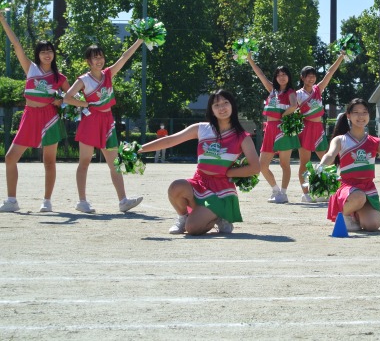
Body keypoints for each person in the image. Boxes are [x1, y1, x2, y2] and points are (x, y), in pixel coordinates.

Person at [139, 90, 259, 235]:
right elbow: (170, 140)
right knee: (176, 187)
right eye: (216, 105)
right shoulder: (201, 128)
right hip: (199, 183)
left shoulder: (242, 136)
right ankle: (183, 217)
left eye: (225, 103)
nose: (221, 108)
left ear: (232, 105)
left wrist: (228, 173)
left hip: (221, 190)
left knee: (193, 228)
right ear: (211, 110)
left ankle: (219, 216)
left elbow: (255, 167)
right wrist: (139, 149)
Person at [63, 41, 145, 213]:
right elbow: (67, 98)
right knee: (84, 161)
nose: (99, 60)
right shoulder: (84, 80)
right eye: (95, 58)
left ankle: (123, 201)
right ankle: (82, 201)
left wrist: (139, 41)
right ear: (88, 61)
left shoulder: (108, 74)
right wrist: (84, 104)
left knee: (114, 163)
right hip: (91, 121)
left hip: (107, 121)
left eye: (101, 57)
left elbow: (124, 57)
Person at [0, 12, 70, 213]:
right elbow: (16, 45)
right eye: (43, 52)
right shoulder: (30, 68)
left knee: (49, 161)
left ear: (54, 54)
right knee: (10, 157)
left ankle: (47, 201)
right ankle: (12, 200)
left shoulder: (60, 77)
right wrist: (3, 20)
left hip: (50, 119)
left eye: (50, 51)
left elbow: (72, 97)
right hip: (30, 116)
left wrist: (61, 101)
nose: (47, 54)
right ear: (38, 55)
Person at [319, 98, 380, 232]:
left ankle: (355, 213)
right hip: (347, 186)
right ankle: (345, 214)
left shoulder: (375, 141)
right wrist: (320, 167)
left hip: (368, 187)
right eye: (356, 112)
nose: (361, 116)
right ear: (348, 115)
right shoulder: (340, 140)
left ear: (369, 115)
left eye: (364, 112)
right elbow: (330, 155)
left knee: (372, 225)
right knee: (359, 197)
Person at [247, 53, 300, 204]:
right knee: (262, 165)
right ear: (275, 77)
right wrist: (250, 59)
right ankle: (276, 190)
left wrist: (283, 116)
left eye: (284, 74)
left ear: (289, 77)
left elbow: (294, 105)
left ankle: (283, 193)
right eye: (279, 75)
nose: (281, 77)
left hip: (283, 129)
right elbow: (260, 74)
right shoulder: (272, 90)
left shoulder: (290, 92)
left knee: (284, 164)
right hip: (269, 129)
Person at [296, 51, 345, 203]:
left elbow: (330, 72)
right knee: (304, 162)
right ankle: (306, 194)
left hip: (318, 128)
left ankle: (327, 190)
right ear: (302, 78)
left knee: (327, 160)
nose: (311, 78)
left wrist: (341, 57)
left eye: (313, 76)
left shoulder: (318, 90)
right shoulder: (297, 94)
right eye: (308, 76)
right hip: (305, 129)